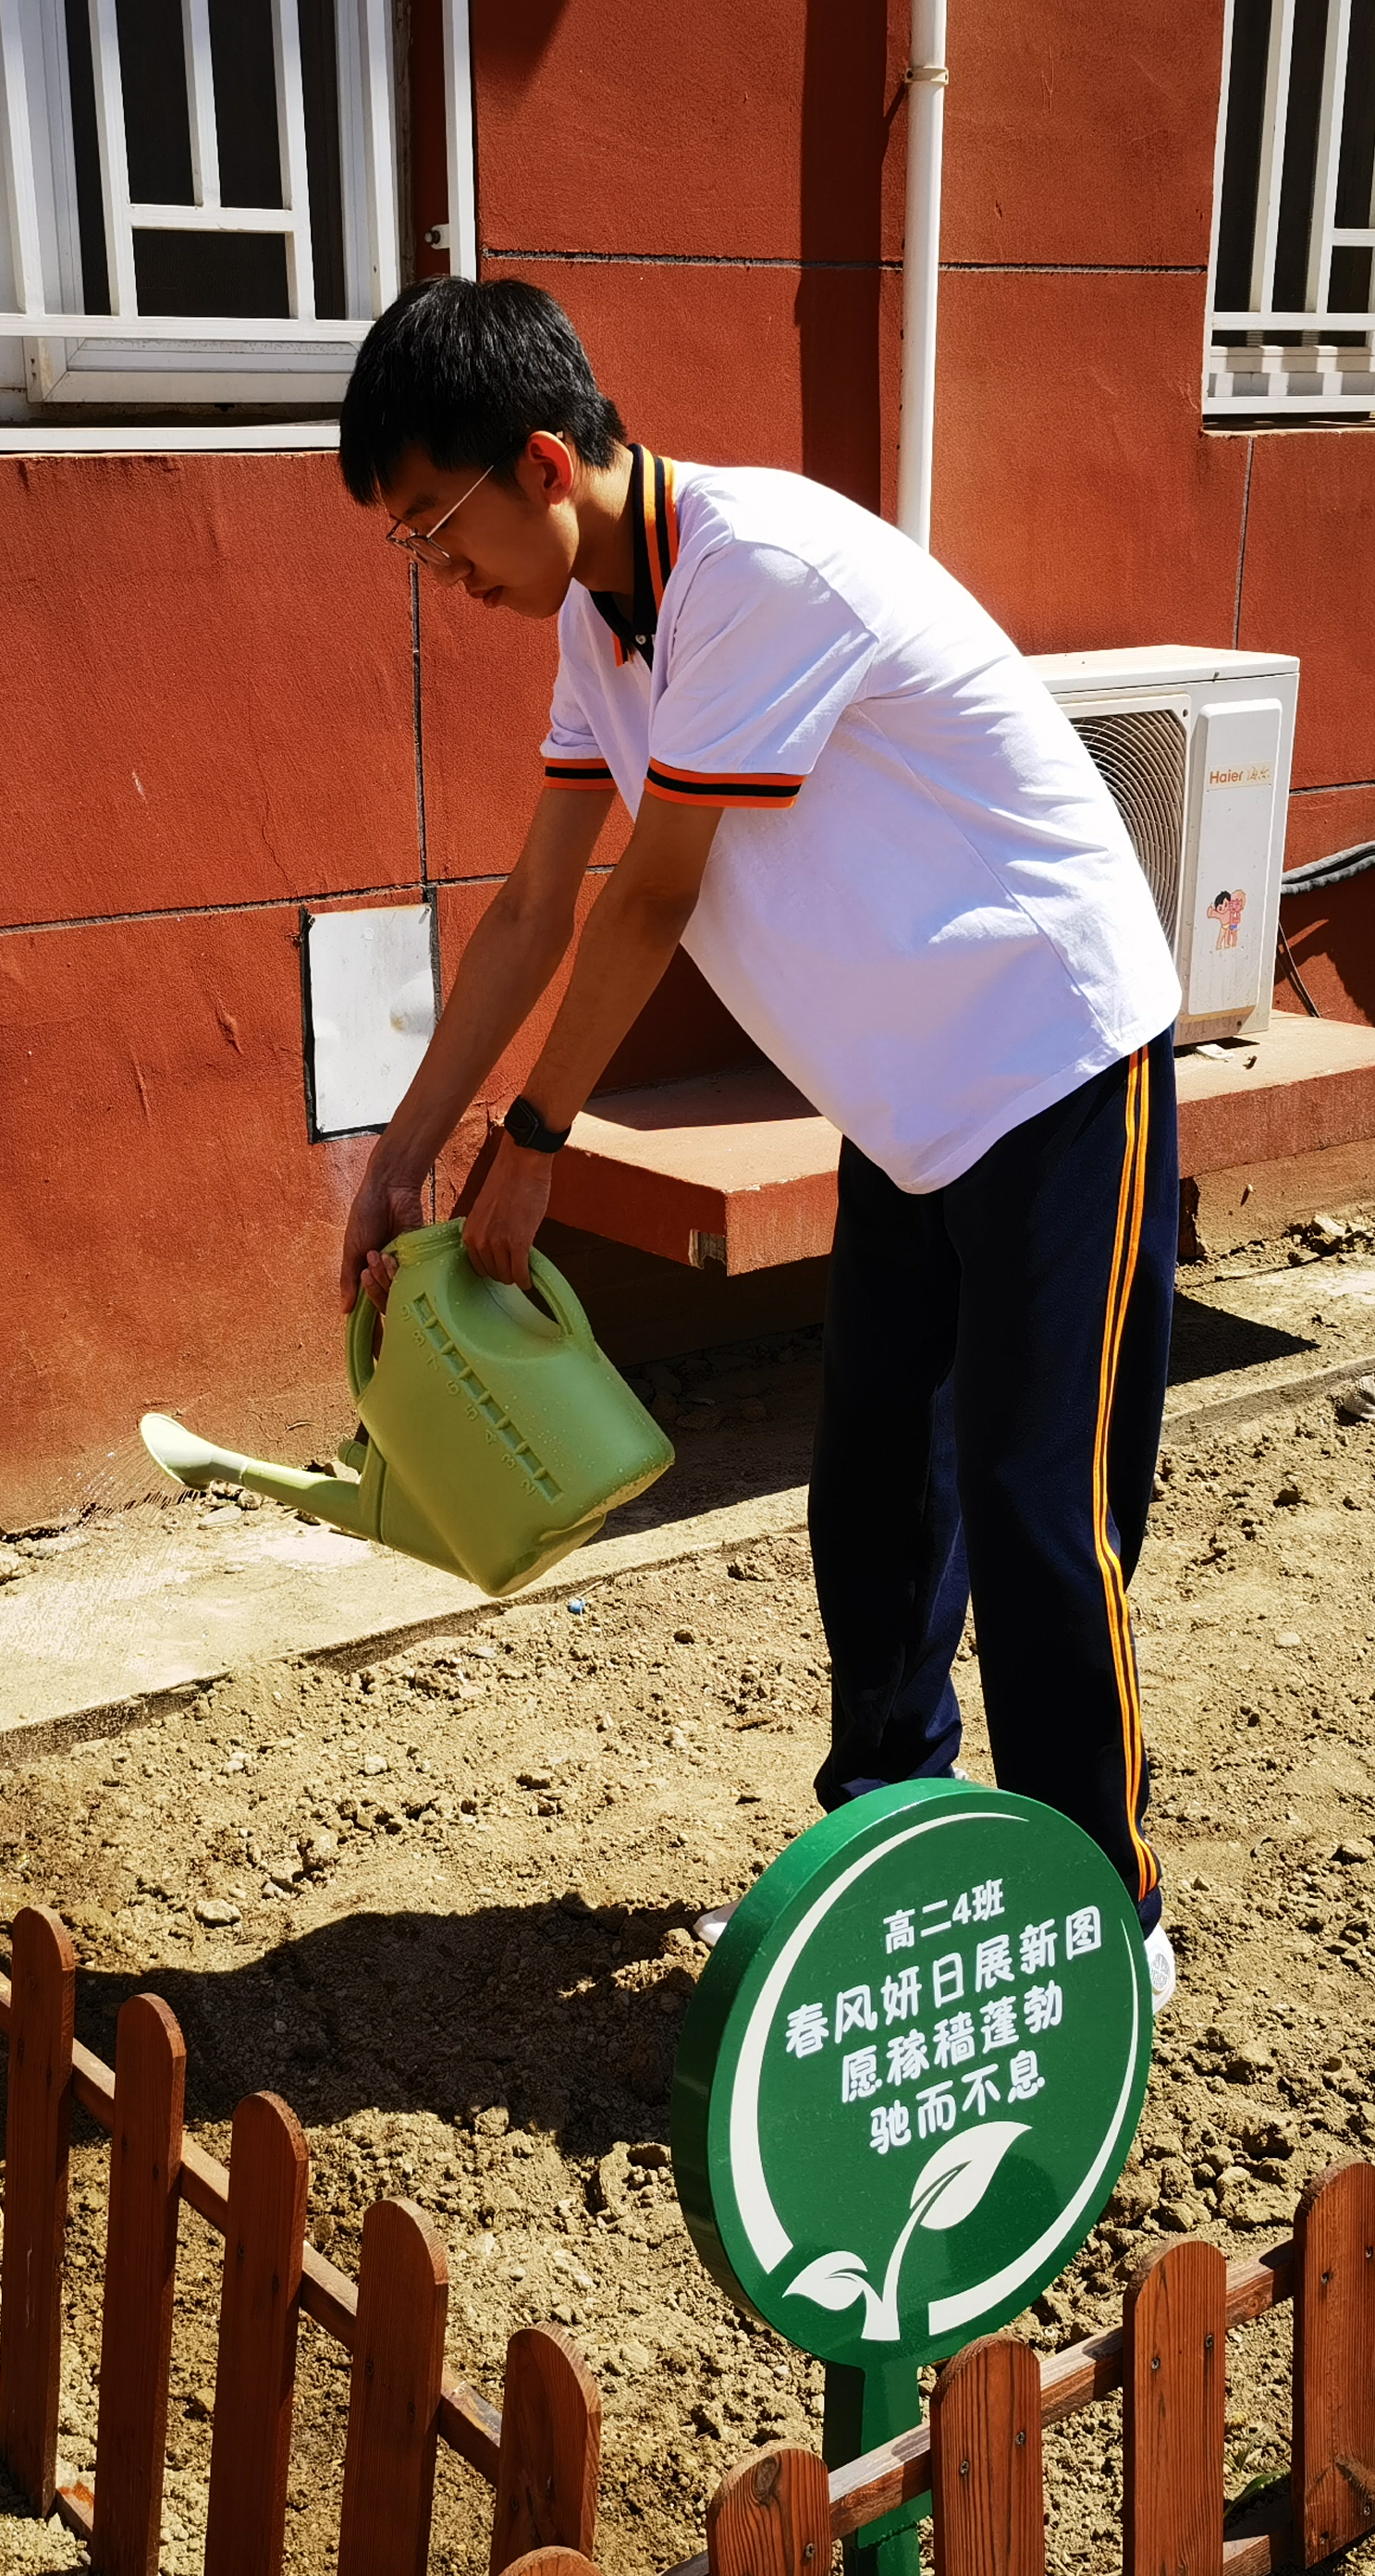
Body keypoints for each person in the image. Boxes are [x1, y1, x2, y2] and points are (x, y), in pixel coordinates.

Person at [331, 277, 1183, 2006]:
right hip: (903, 1100)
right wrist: (405, 1151)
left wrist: (539, 1136)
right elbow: (531, 906)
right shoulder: (602, 621)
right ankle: (894, 1827)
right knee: (875, 1486)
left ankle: (1106, 1917)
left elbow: (653, 898)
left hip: (1050, 1059)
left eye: (437, 532)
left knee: (1038, 1509)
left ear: (545, 462)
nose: (444, 580)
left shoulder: (758, 569)